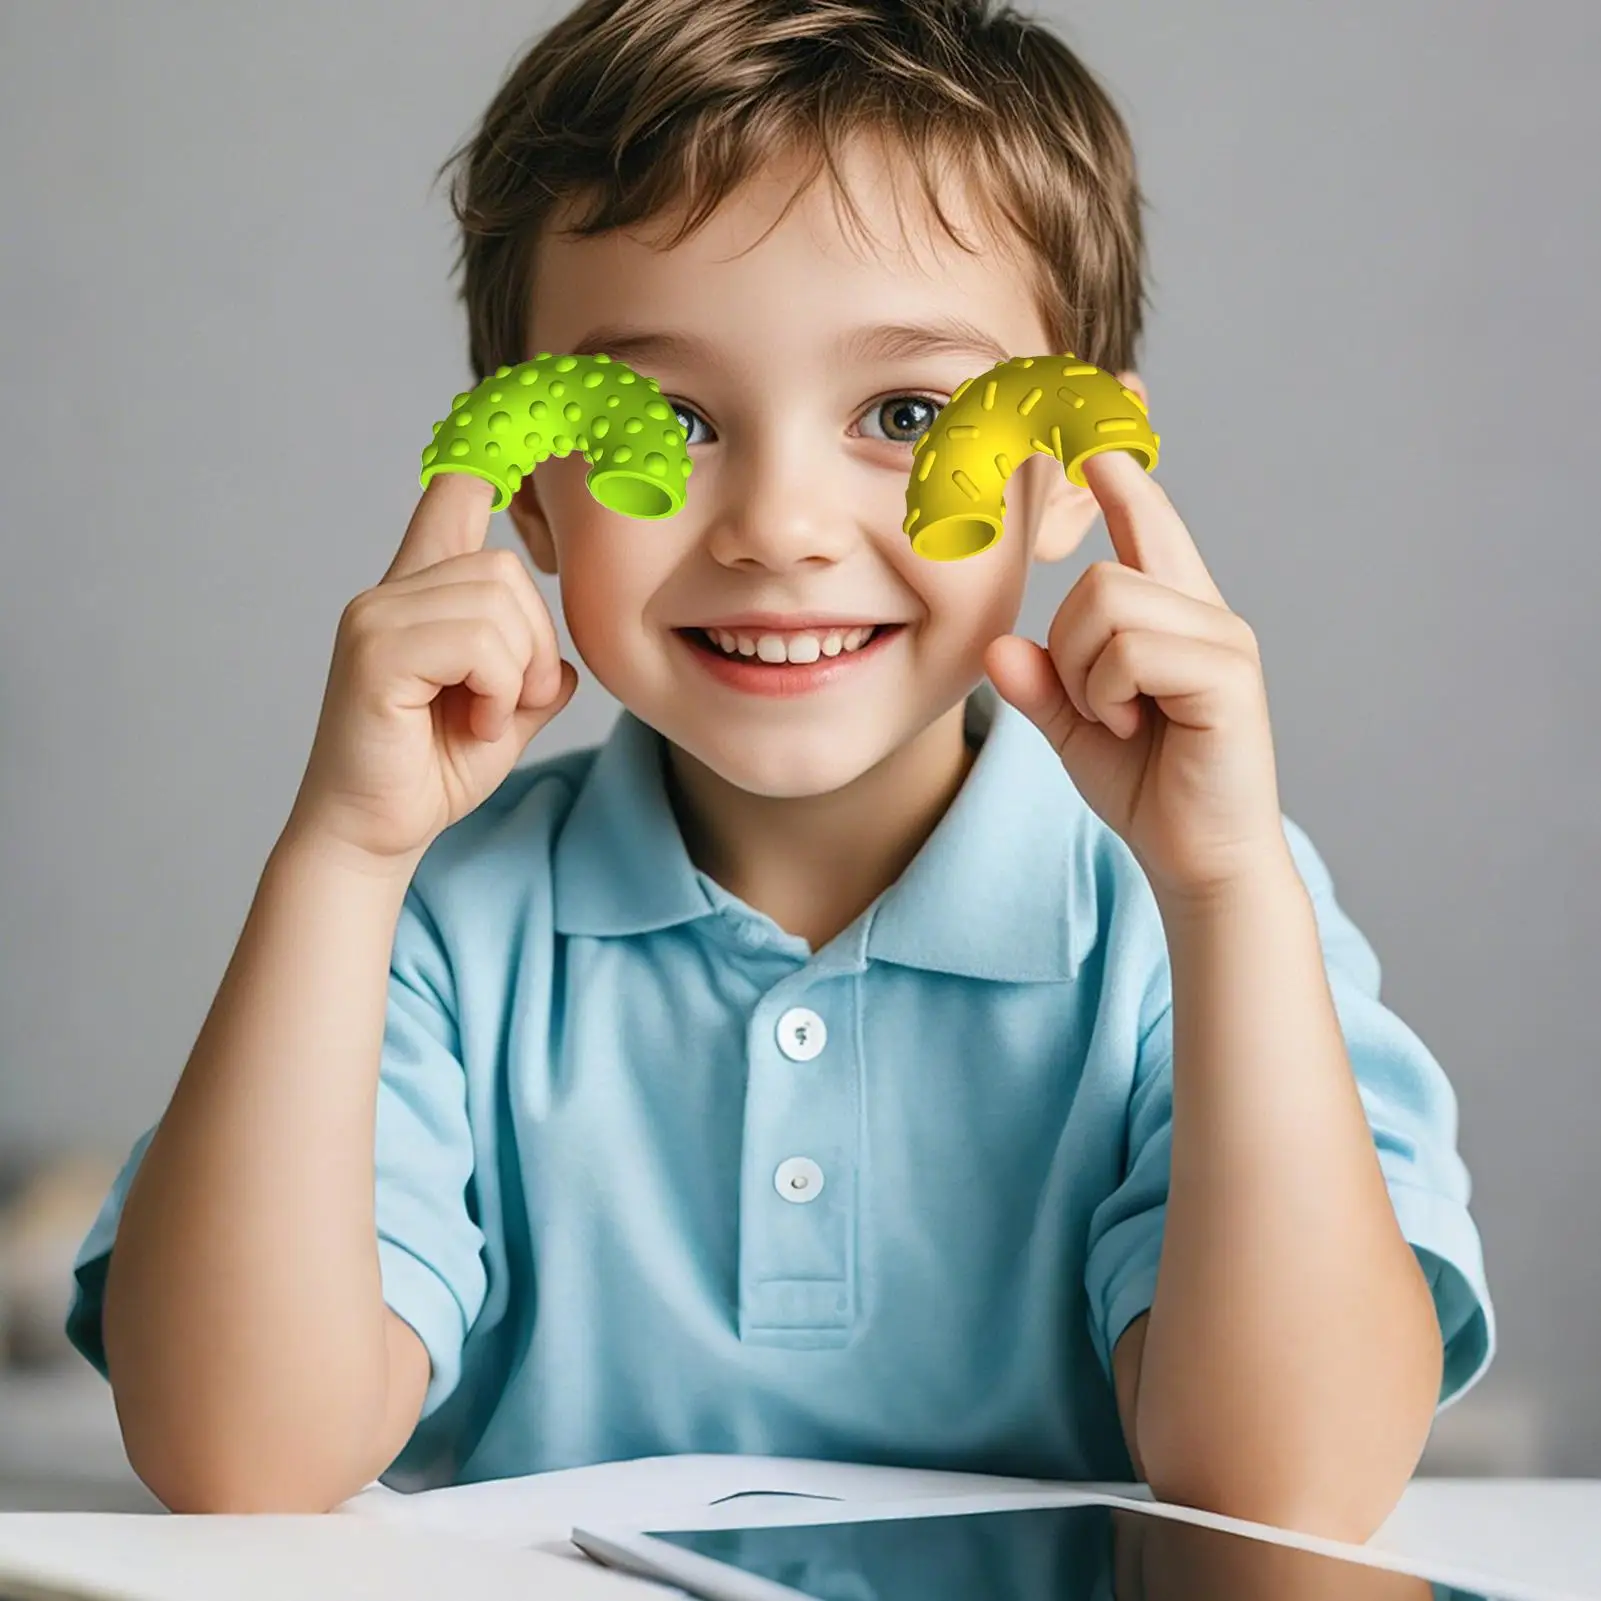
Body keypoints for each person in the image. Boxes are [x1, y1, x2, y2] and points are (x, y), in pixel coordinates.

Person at [63, 0, 1493, 1536]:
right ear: (530, 495)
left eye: (906, 413)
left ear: (1081, 472)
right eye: (669, 418)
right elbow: (235, 1459)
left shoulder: (1201, 922)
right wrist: (341, 859)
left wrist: (1224, 890)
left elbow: (1299, 1487)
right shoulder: (434, 927)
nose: (780, 526)